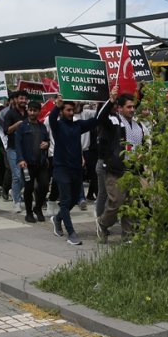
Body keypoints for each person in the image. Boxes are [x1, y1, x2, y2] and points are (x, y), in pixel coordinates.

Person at [95, 87, 145, 243]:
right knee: (116, 201)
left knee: (131, 203)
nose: (132, 110)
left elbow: (142, 145)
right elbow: (100, 118)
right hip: (116, 170)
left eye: (133, 107)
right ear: (120, 108)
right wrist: (110, 100)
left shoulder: (139, 125)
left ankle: (128, 235)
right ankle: (103, 224)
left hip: (134, 170)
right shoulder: (114, 121)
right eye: (128, 107)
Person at [48, 95, 99, 245]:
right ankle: (71, 233)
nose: (71, 113)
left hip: (76, 169)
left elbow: (96, 120)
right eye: (68, 110)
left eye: (72, 110)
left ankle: (57, 219)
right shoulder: (57, 126)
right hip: (61, 168)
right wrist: (57, 105)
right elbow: (52, 118)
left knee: (74, 200)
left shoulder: (77, 126)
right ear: (62, 111)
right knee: (65, 200)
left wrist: (106, 102)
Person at [16, 101, 51, 223]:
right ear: (27, 111)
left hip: (40, 162)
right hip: (27, 163)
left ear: (38, 111)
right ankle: (29, 212)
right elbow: (18, 144)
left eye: (34, 110)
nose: (32, 113)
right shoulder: (22, 126)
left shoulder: (42, 127)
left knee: (45, 185)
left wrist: (47, 144)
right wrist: (20, 159)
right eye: (30, 110)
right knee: (29, 188)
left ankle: (38, 208)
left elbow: (47, 141)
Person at [1, 91, 29, 212]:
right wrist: (17, 124)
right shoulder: (10, 114)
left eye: (25, 98)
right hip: (13, 149)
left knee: (25, 178)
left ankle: (14, 190)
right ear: (16, 99)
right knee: (17, 176)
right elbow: (6, 131)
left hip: (26, 149)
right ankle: (16, 202)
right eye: (21, 98)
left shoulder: (29, 113)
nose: (23, 100)